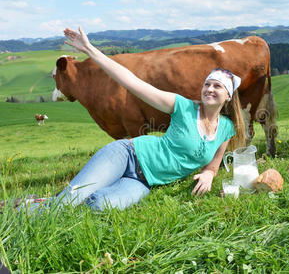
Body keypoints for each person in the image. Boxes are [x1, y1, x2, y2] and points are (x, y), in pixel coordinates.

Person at [37, 26, 245, 211]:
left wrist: (208, 175)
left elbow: (212, 166)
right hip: (127, 155)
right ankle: (24, 211)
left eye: (217, 86)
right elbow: (131, 81)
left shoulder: (226, 128)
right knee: (63, 206)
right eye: (207, 84)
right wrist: (89, 49)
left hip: (143, 181)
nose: (209, 89)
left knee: (98, 206)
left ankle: (45, 200)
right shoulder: (182, 106)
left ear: (228, 95)